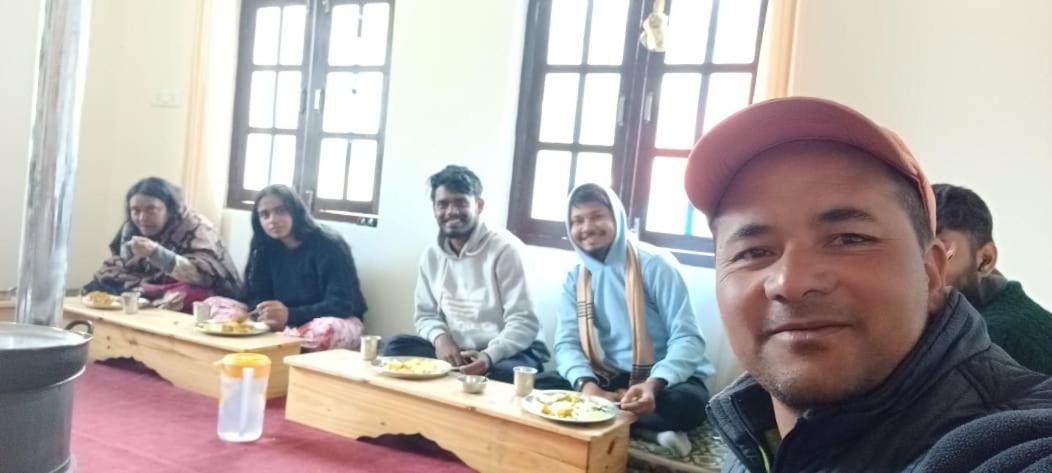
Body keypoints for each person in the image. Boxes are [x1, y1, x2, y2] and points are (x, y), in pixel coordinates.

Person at [684, 96, 1052, 471]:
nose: (791, 283)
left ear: (931, 272)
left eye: (849, 239)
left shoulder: (1018, 446)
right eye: (753, 251)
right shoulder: (755, 430)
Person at [547, 183, 714, 455]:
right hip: (611, 375)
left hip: (664, 380)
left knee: (687, 405)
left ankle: (611, 415)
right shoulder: (577, 277)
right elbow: (566, 343)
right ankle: (650, 431)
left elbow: (688, 338)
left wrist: (653, 384)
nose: (587, 227)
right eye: (577, 220)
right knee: (538, 387)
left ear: (617, 218)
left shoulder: (654, 264)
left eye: (597, 216)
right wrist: (587, 386)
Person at [382, 165, 549, 382]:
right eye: (443, 204)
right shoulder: (431, 255)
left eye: (461, 202)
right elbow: (425, 315)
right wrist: (441, 340)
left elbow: (524, 322)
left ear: (479, 205)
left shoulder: (506, 250)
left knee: (503, 375)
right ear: (434, 209)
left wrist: (489, 356)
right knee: (395, 348)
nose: (451, 211)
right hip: (457, 349)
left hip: (508, 352)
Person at [933, 183, 1052, 375]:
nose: (921, 268)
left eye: (941, 252)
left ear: (985, 260)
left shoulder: (989, 339)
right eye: (911, 252)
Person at [239, 184, 368, 351]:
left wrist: (290, 315)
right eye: (265, 214)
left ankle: (286, 343)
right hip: (282, 323)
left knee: (324, 332)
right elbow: (256, 295)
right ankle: (281, 340)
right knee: (217, 305)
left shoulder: (329, 245)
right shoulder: (264, 246)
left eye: (280, 211)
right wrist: (263, 314)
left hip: (330, 321)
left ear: (295, 211)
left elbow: (341, 305)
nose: (272, 220)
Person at [83, 177, 241, 311]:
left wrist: (156, 253)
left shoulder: (197, 227)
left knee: (188, 294)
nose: (142, 218)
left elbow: (205, 276)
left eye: (151, 209)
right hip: (150, 282)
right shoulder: (131, 226)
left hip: (191, 284)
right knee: (106, 276)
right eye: (135, 210)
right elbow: (125, 263)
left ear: (169, 209)